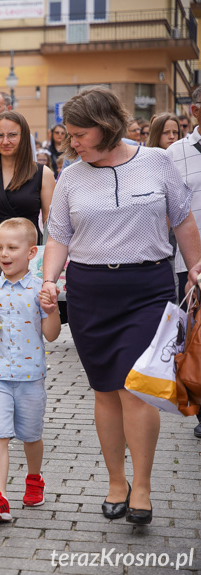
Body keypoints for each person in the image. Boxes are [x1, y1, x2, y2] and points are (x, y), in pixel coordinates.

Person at [42, 86, 201, 525]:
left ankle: (144, 488)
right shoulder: (72, 176)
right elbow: (58, 235)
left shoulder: (155, 162)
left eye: (79, 134)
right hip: (91, 292)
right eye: (69, 135)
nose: (72, 143)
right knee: (106, 391)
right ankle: (117, 481)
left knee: (137, 388)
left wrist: (195, 267)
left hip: (146, 288)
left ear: (106, 128)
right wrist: (49, 280)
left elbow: (182, 218)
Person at [0, 218, 61, 522]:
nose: (4, 253)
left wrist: (51, 310)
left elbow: (51, 334)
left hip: (30, 377)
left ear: (31, 252)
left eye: (12, 247)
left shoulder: (41, 289)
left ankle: (34, 478)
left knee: (30, 435)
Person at [165, 85, 201, 439]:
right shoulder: (175, 154)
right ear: (195, 110)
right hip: (189, 263)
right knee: (196, 338)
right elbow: (168, 212)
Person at [0, 110, 56, 244]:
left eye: (12, 135)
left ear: (24, 137)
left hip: (30, 255)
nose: (5, 141)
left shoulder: (43, 174)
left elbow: (50, 224)